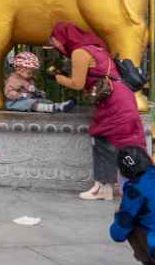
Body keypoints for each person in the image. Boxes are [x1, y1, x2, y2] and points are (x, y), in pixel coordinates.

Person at [49, 21, 146, 200]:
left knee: (102, 141)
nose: (54, 45)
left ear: (64, 37)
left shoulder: (80, 52)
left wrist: (58, 77)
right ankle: (126, 186)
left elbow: (77, 84)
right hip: (123, 97)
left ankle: (102, 188)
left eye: (54, 40)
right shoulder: (96, 49)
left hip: (114, 102)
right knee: (126, 141)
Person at [4, 51, 76, 113]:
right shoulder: (13, 80)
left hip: (29, 99)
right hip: (15, 103)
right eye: (29, 73)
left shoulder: (28, 79)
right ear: (19, 70)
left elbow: (31, 90)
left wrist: (38, 92)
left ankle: (58, 106)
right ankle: (51, 108)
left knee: (43, 101)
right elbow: (8, 92)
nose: (31, 75)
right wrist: (21, 95)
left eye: (32, 73)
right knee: (30, 103)